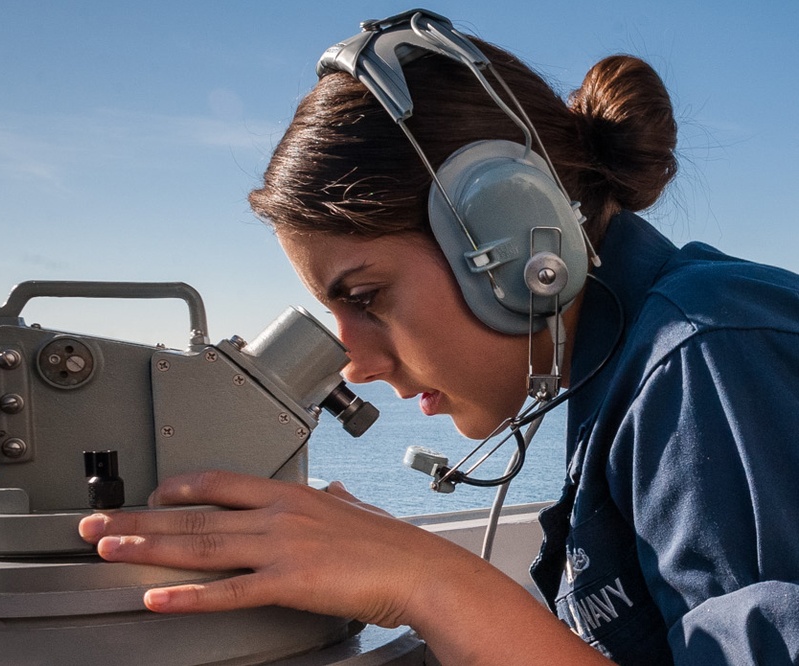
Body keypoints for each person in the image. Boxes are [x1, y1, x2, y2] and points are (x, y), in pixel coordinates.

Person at [78, 10, 799, 664]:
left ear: (514, 242)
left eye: (366, 297)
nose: (354, 364)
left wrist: (430, 580)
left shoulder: (704, 353)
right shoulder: (633, 373)